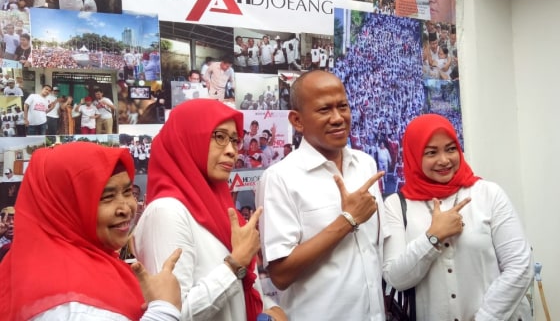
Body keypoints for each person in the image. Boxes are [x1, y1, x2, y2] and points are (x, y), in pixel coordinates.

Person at [133, 99, 286, 321]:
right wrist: (234, 265)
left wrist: (270, 309)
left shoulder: (218, 204)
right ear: (186, 139)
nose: (232, 151)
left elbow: (243, 288)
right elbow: (172, 314)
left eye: (235, 140)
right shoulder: (166, 212)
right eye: (220, 137)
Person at [0, 142, 183, 320]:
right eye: (107, 197)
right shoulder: (66, 302)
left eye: (127, 192)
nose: (126, 208)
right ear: (66, 206)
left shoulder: (68, 260)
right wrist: (163, 310)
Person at [257, 70, 386, 320]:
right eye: (324, 110)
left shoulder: (365, 165)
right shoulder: (280, 178)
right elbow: (281, 275)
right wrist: (347, 220)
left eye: (343, 107)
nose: (338, 118)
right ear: (297, 120)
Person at [382, 114, 533, 321]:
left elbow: (520, 266)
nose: (444, 160)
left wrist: (486, 318)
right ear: (414, 155)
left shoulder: (487, 194)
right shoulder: (396, 205)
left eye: (451, 149)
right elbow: (396, 278)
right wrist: (433, 237)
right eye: (431, 152)